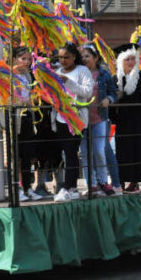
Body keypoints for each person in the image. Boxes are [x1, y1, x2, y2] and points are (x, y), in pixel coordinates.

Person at [112, 43, 141, 193]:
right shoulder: (116, 79)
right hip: (123, 121)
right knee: (123, 151)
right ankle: (121, 180)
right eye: (127, 59)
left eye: (133, 59)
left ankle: (134, 182)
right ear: (121, 61)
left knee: (137, 151)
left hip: (139, 121)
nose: (131, 62)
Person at [53, 43, 93, 202]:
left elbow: (87, 92)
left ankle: (70, 187)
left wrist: (68, 82)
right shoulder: (56, 72)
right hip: (60, 118)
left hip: (77, 118)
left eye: (66, 57)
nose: (63, 60)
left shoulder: (83, 71)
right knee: (63, 153)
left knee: (71, 152)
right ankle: (67, 186)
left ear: (74, 57)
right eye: (60, 57)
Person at [80, 43, 117, 196]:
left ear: (95, 58)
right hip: (81, 120)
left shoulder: (104, 75)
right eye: (81, 56)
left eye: (87, 56)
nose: (84, 59)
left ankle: (103, 182)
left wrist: (109, 99)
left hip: (99, 118)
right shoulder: (77, 73)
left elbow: (113, 93)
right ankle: (91, 184)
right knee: (85, 153)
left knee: (99, 151)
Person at [10, 47, 42, 202]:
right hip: (15, 117)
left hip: (28, 116)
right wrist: (26, 101)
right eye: (23, 58)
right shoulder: (9, 75)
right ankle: (15, 188)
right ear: (15, 58)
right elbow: (7, 98)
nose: (27, 62)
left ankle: (28, 187)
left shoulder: (28, 75)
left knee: (27, 154)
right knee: (15, 155)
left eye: (29, 59)